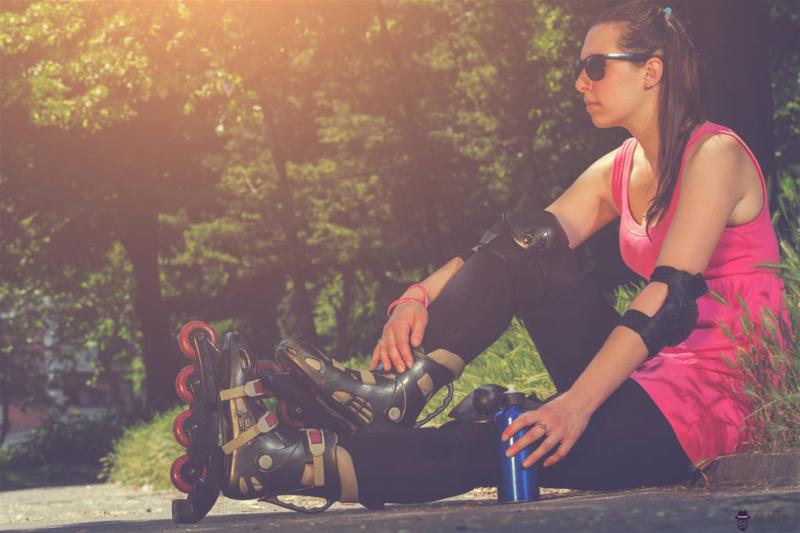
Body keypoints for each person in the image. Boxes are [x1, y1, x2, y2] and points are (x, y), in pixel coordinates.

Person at [183, 1, 793, 512]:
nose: (581, 82)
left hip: (711, 412)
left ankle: (284, 466)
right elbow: (511, 249)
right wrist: (418, 295)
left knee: (499, 439)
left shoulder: (715, 155)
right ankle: (389, 398)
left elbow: (668, 298)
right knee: (533, 241)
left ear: (651, 72)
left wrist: (572, 406)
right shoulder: (622, 168)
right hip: (645, 378)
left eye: (595, 67)